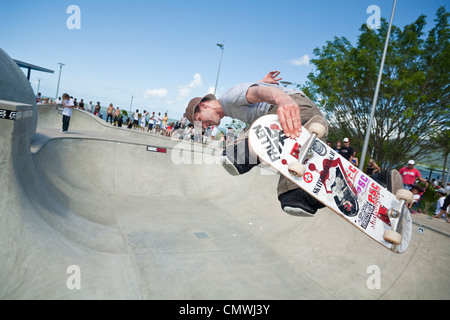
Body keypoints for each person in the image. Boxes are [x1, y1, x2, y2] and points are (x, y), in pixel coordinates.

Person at [185, 71, 329, 216]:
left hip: (293, 108)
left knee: (235, 155)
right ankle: (309, 194)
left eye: (199, 119)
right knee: (293, 199)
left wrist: (282, 99)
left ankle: (309, 124)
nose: (203, 126)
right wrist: (263, 82)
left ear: (203, 106)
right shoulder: (231, 103)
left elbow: (260, 92)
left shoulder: (228, 98)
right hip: (304, 119)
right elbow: (254, 92)